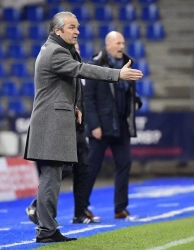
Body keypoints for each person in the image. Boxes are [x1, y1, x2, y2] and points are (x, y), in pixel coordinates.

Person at [23, 12, 142, 243]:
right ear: (58, 31)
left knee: (55, 176)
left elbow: (72, 80)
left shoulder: (61, 50)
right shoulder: (55, 52)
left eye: (77, 27)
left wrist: (76, 105)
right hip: (50, 124)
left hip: (56, 122)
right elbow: (83, 70)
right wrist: (118, 74)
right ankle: (46, 230)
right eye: (72, 27)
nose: (77, 31)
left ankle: (47, 227)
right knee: (51, 177)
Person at [25, 43, 100, 226]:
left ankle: (80, 213)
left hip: (79, 128)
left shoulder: (78, 69)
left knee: (83, 169)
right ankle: (39, 207)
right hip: (61, 128)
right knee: (61, 169)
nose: (78, 51)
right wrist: (118, 74)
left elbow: (83, 99)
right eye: (74, 48)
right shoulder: (61, 65)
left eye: (79, 49)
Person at [84, 31, 142, 219]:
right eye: (118, 43)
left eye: (123, 43)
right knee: (92, 167)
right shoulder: (95, 64)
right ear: (107, 45)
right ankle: (81, 207)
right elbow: (88, 98)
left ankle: (120, 208)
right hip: (101, 124)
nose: (121, 46)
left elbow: (130, 92)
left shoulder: (128, 63)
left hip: (122, 123)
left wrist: (136, 102)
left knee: (124, 163)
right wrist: (93, 125)